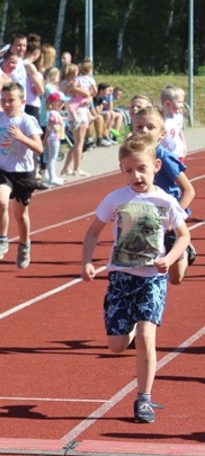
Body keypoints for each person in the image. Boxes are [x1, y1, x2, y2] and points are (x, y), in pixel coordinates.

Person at [81, 136, 189, 424]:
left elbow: (183, 236)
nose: (135, 176)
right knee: (117, 345)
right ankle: (128, 332)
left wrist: (170, 257)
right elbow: (93, 231)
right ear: (121, 170)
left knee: (146, 336)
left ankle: (144, 398)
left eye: (141, 168)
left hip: (152, 279)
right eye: (128, 170)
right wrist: (88, 262)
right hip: (120, 277)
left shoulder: (165, 201)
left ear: (155, 166)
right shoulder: (116, 199)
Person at [0, 82, 43, 269]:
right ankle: (2, 238)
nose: (6, 104)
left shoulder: (27, 121)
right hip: (2, 169)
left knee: (21, 216)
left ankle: (24, 245)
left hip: (23, 173)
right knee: (0, 201)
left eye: (11, 101)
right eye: (3, 100)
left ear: (22, 101)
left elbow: (39, 149)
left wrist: (21, 137)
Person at [132, 106, 197, 285]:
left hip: (169, 217)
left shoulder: (165, 158)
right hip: (147, 215)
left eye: (150, 127)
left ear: (162, 134)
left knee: (176, 279)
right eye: (139, 127)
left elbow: (189, 190)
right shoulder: (134, 156)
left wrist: (174, 217)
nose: (144, 130)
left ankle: (184, 251)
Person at [60, 63, 91, 178]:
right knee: (79, 143)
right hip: (78, 114)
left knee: (76, 143)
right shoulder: (70, 84)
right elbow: (87, 93)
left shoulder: (64, 83)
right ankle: (77, 168)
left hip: (74, 113)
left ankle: (66, 168)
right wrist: (77, 88)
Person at [42, 91, 67, 186]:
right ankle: (52, 177)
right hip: (53, 138)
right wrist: (45, 139)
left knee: (51, 158)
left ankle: (52, 176)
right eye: (60, 102)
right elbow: (49, 127)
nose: (62, 104)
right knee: (52, 158)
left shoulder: (55, 113)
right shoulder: (53, 113)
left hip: (54, 138)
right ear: (54, 103)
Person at [160, 85, 186, 161]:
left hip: (178, 154)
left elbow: (179, 131)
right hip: (165, 156)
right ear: (167, 103)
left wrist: (184, 145)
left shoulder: (179, 117)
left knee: (178, 172)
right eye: (179, 102)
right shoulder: (160, 120)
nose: (182, 106)